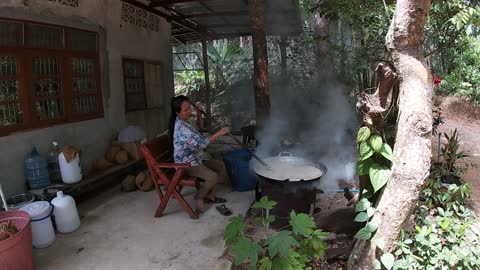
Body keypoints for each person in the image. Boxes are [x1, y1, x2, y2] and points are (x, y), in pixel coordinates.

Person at [168, 95, 231, 213]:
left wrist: (199, 114)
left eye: (189, 108)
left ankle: (210, 196)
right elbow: (201, 144)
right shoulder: (182, 129)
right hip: (186, 164)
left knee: (221, 166)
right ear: (177, 113)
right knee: (212, 176)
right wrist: (219, 133)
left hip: (197, 157)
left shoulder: (186, 120)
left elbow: (199, 128)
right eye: (185, 110)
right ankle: (199, 196)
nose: (189, 111)